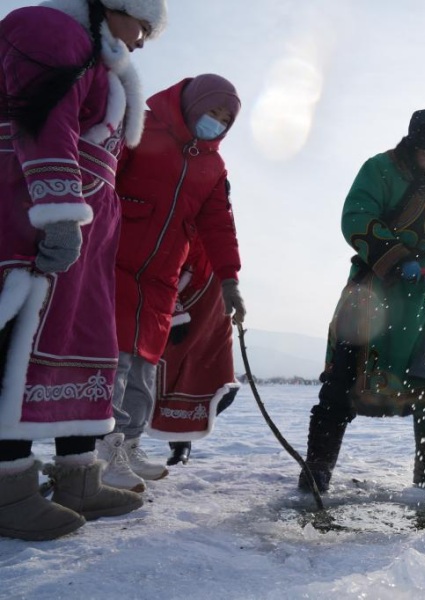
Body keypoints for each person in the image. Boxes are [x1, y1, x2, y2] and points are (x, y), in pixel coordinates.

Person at [0, 0, 166, 541]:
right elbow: (42, 122)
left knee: (78, 346)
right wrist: (59, 213)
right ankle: (9, 490)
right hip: (31, 219)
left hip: (87, 238)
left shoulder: (97, 59)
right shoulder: (50, 33)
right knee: (17, 351)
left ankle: (78, 480)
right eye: (141, 25)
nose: (141, 41)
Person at [300, 109, 425, 494]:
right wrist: (397, 258)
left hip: (421, 301)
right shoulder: (380, 169)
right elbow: (356, 216)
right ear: (413, 147)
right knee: (341, 381)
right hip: (372, 288)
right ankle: (318, 468)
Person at [100, 74, 245, 492]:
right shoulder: (139, 128)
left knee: (144, 369)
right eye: (211, 112)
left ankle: (127, 445)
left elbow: (219, 225)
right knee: (114, 365)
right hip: (113, 263)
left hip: (161, 279)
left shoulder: (212, 166)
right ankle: (99, 452)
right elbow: (103, 179)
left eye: (224, 119)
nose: (215, 122)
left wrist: (229, 280)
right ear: (190, 104)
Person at [143, 240, 241, 466]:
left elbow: (224, 240)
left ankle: (181, 436)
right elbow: (166, 254)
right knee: (154, 381)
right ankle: (122, 445)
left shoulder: (221, 207)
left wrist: (231, 285)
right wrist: (175, 309)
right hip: (187, 297)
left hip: (214, 305)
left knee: (218, 382)